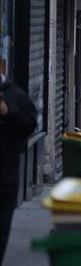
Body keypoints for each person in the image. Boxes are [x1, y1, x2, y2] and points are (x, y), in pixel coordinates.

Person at [0, 59, 37, 262]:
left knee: (2, 226)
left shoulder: (17, 96)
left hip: (6, 175)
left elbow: (30, 124)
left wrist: (8, 112)